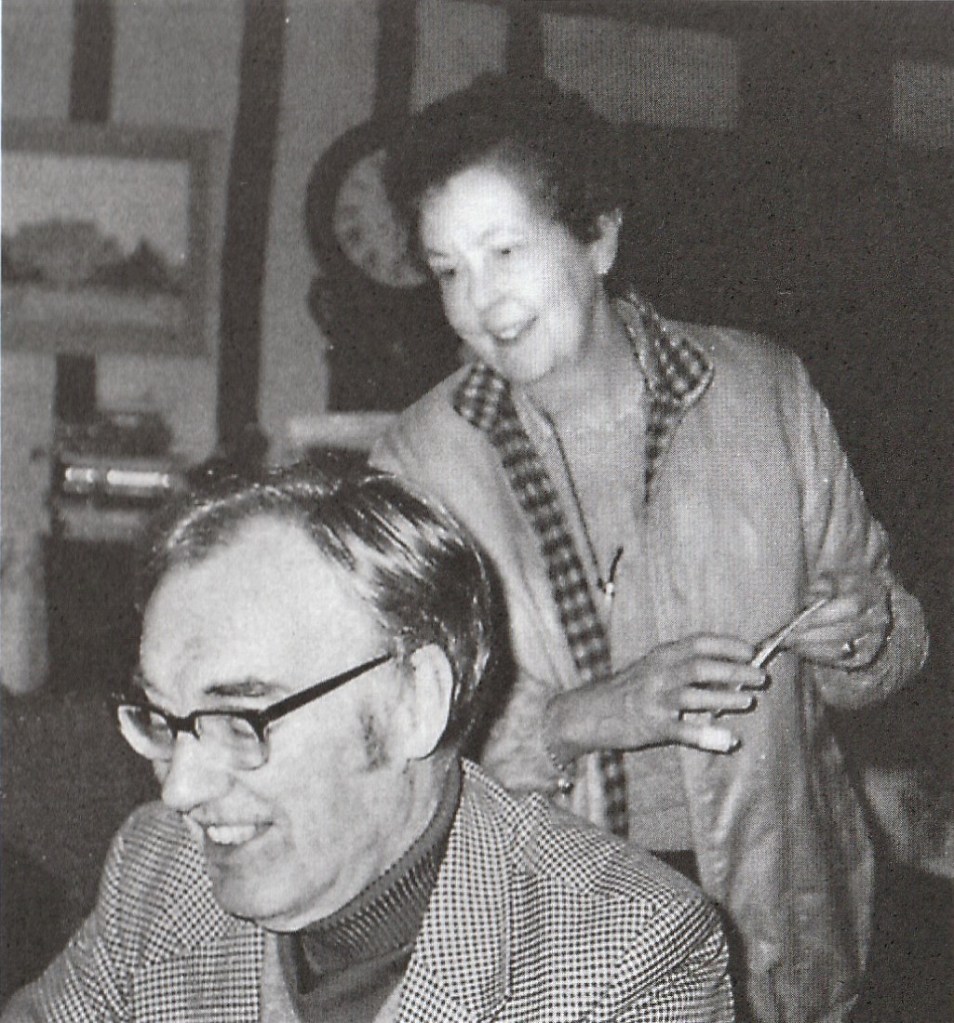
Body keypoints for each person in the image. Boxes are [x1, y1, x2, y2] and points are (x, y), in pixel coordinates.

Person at [370, 74, 930, 1023]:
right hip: (549, 936)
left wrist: (863, 629)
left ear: (598, 237)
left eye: (504, 250)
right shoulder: (418, 461)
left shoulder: (765, 392)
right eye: (448, 269)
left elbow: (892, 643)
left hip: (773, 924)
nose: (480, 301)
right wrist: (579, 719)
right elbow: (397, 740)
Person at [1, 464, 734, 1023]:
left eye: (241, 719)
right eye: (162, 717)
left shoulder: (626, 954)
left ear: (416, 702)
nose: (179, 789)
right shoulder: (159, 869)